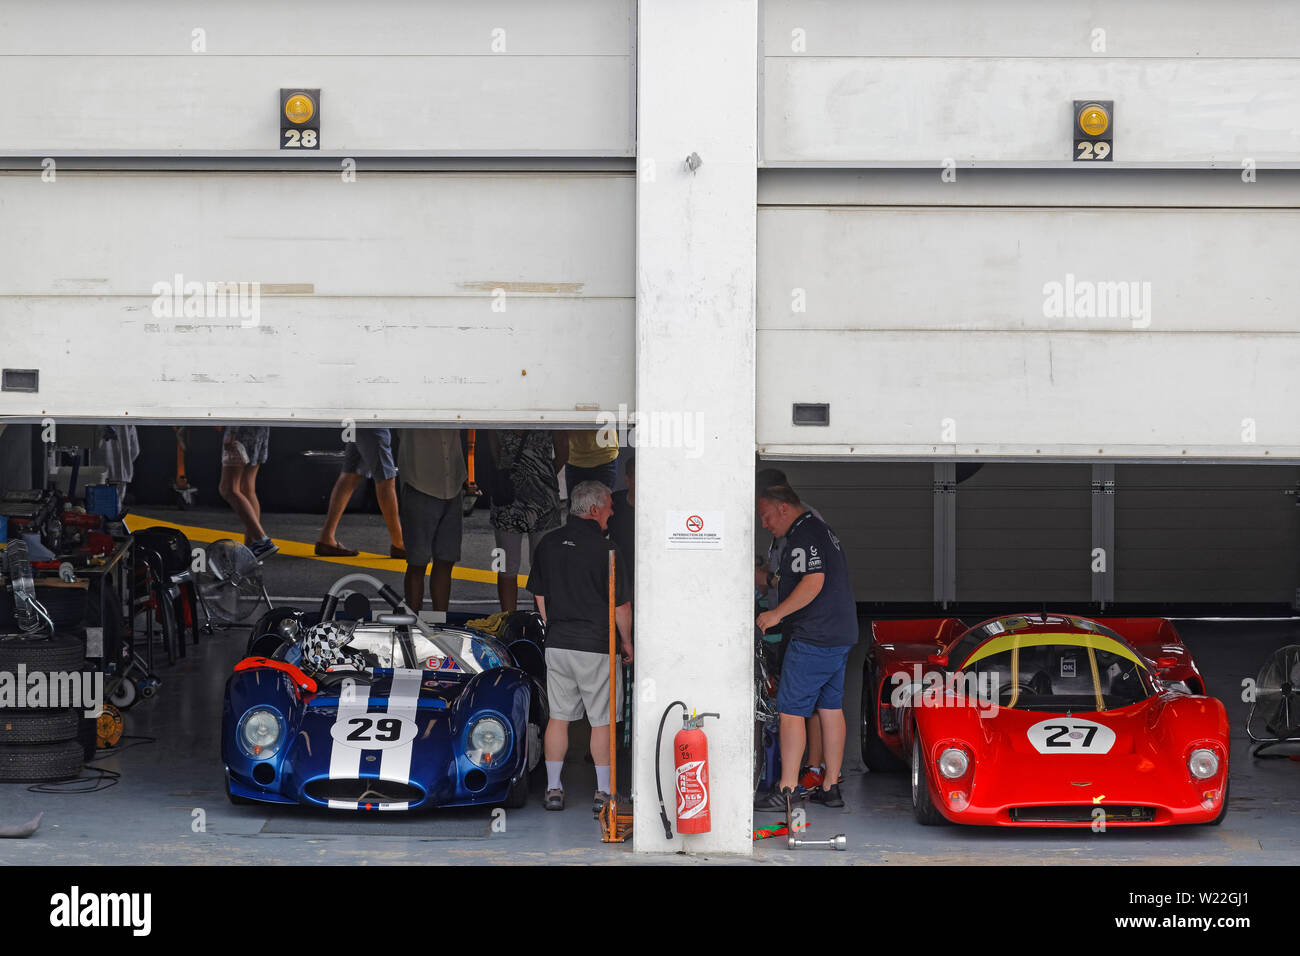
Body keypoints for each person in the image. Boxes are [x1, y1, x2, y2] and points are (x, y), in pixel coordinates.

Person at [526, 481, 633, 814]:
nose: (612, 513)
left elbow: (540, 597)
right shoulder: (609, 550)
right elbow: (621, 608)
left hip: (558, 644)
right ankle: (602, 793)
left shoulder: (548, 544)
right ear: (595, 509)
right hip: (598, 646)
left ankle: (553, 789)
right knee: (601, 721)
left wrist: (555, 627)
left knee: (558, 718)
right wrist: (627, 642)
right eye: (609, 508)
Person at [753, 485, 857, 810]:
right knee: (830, 708)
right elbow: (795, 576)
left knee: (790, 712)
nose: (765, 525)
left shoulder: (804, 534)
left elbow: (813, 581)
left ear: (783, 508)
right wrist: (767, 580)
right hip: (839, 635)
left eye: (766, 517)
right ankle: (831, 786)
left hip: (813, 636)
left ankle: (787, 788)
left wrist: (775, 615)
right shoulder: (819, 529)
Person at [755, 467, 828, 792]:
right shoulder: (781, 528)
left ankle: (810, 771)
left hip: (803, 625)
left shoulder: (806, 524)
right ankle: (801, 773)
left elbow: (807, 578)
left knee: (803, 704)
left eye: (765, 511)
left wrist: (768, 581)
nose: (763, 520)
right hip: (780, 620)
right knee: (788, 698)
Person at [488, 430, 567, 612]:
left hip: (507, 495)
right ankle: (541, 623)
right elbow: (563, 452)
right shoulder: (547, 415)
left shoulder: (501, 417)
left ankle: (509, 622)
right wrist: (541, 474)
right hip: (543, 498)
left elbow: (495, 452)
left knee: (506, 566)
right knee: (543, 567)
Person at [395, 428, 466, 612]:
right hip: (420, 482)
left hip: (451, 482)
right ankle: (411, 627)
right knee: (418, 562)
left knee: (445, 560)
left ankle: (439, 626)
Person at [315, 428, 405, 559]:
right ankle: (399, 544)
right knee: (386, 477)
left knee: (352, 473)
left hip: (358, 416)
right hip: (371, 418)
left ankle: (326, 537)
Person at [219, 426, 277, 558]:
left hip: (240, 430)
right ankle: (251, 550)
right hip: (259, 429)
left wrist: (233, 432)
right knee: (247, 489)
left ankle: (262, 541)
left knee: (228, 488)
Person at [608, 454, 635, 585]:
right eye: (638, 478)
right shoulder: (614, 502)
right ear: (627, 479)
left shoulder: (658, 505)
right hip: (619, 570)